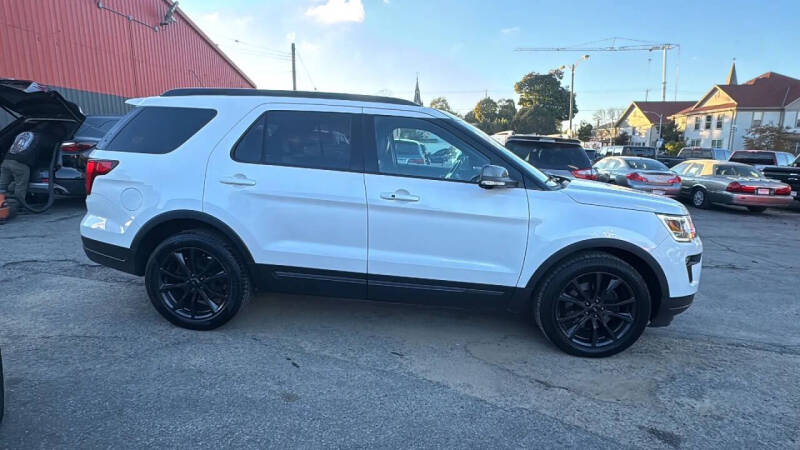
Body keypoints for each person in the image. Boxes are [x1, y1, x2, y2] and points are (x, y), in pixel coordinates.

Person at [0, 125, 51, 211]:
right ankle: (17, 206)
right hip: (21, 164)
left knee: (2, 186)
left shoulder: (22, 134)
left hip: (7, 161)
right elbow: (45, 149)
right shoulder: (40, 136)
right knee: (20, 187)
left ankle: (1, 203)